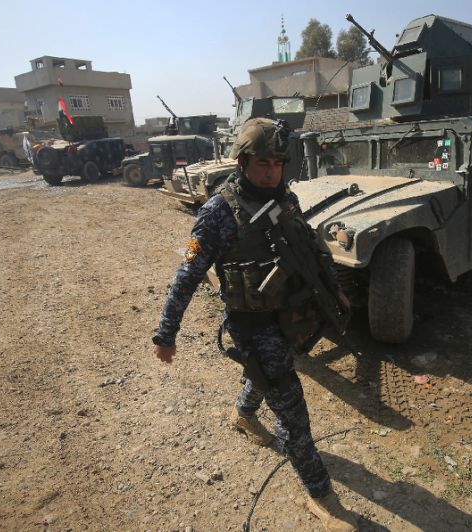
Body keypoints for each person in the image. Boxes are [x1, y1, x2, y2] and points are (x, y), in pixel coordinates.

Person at [152, 117, 357, 532]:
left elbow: (313, 249)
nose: (270, 171)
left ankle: (243, 414)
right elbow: (187, 273)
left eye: (277, 163)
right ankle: (322, 496)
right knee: (293, 415)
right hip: (250, 325)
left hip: (289, 317)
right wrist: (165, 333)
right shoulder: (217, 214)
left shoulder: (288, 200)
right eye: (262, 162)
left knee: (268, 376)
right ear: (243, 162)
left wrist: (334, 289)